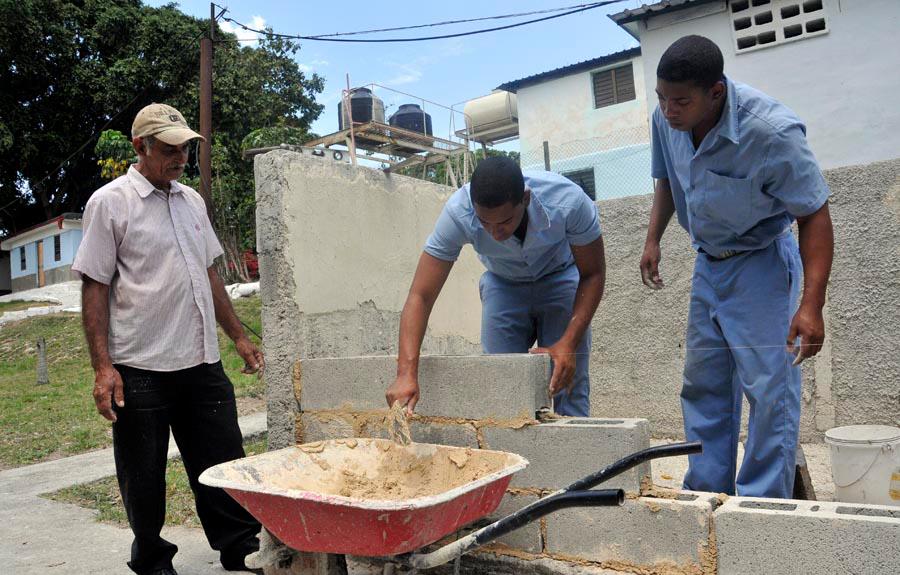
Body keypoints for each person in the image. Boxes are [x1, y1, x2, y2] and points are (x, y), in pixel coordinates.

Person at [72, 103, 265, 575]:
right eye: (169, 149)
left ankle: (240, 546)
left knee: (222, 459)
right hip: (141, 365)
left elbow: (210, 274)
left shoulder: (191, 201)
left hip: (201, 360)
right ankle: (153, 558)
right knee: (143, 473)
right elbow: (94, 285)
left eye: (185, 148)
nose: (180, 158)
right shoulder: (110, 203)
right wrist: (103, 368)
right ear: (141, 147)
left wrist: (238, 337)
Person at [641, 36, 834, 498]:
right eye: (662, 98)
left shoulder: (771, 132)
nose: (669, 110)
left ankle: (763, 507)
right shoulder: (665, 119)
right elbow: (667, 178)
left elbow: (814, 214)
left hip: (761, 265)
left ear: (716, 92)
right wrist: (653, 238)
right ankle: (707, 495)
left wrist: (812, 305)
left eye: (681, 101)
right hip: (707, 265)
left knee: (770, 392)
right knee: (703, 385)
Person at [385, 156, 605, 417]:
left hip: (561, 279)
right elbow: (420, 296)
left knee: (568, 381)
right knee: (501, 388)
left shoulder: (568, 201)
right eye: (484, 223)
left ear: (525, 199)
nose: (495, 233)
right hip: (504, 284)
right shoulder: (458, 212)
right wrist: (405, 373)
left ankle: (575, 453)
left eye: (504, 222)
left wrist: (568, 343)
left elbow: (593, 274)